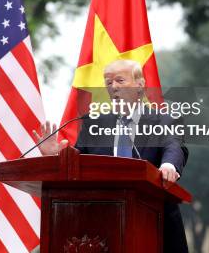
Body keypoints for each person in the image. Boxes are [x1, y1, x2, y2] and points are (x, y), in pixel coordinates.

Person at [32, 59, 189, 253]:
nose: (113, 87)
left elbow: (174, 146)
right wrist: (56, 155)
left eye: (120, 80)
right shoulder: (93, 123)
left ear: (140, 84)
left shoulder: (165, 119)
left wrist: (168, 166)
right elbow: (77, 165)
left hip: (155, 222)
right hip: (101, 227)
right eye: (108, 82)